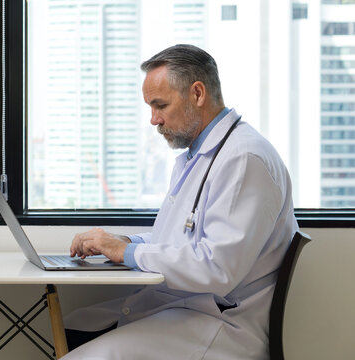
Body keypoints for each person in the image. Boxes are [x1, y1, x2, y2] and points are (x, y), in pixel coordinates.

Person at [61, 44, 299, 360]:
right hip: (189, 307)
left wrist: (128, 252)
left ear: (197, 94)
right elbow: (180, 240)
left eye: (160, 105)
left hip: (222, 323)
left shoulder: (243, 158)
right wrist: (125, 242)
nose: (153, 120)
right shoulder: (197, 156)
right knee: (72, 325)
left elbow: (217, 268)